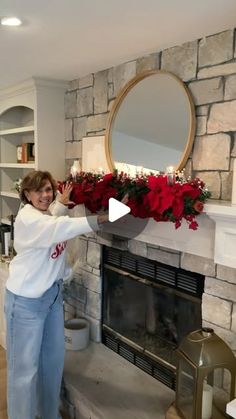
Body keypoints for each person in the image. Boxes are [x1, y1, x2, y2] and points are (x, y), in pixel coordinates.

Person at [4, 170, 109, 419]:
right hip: (26, 303)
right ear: (27, 195)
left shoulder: (45, 216)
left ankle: (48, 414)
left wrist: (60, 204)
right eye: (38, 191)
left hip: (51, 298)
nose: (44, 195)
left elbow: (52, 219)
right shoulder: (28, 219)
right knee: (24, 372)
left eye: (48, 189)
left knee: (52, 363)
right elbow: (58, 227)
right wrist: (105, 218)